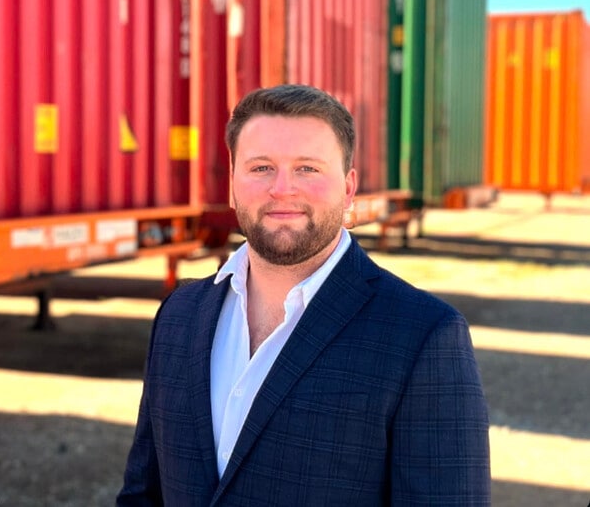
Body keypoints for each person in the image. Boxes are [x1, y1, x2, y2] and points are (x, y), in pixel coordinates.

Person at [117, 84, 491, 505]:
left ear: (348, 188)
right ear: (232, 183)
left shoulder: (424, 336)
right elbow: (142, 495)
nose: (282, 188)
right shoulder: (179, 315)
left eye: (307, 168)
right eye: (261, 167)